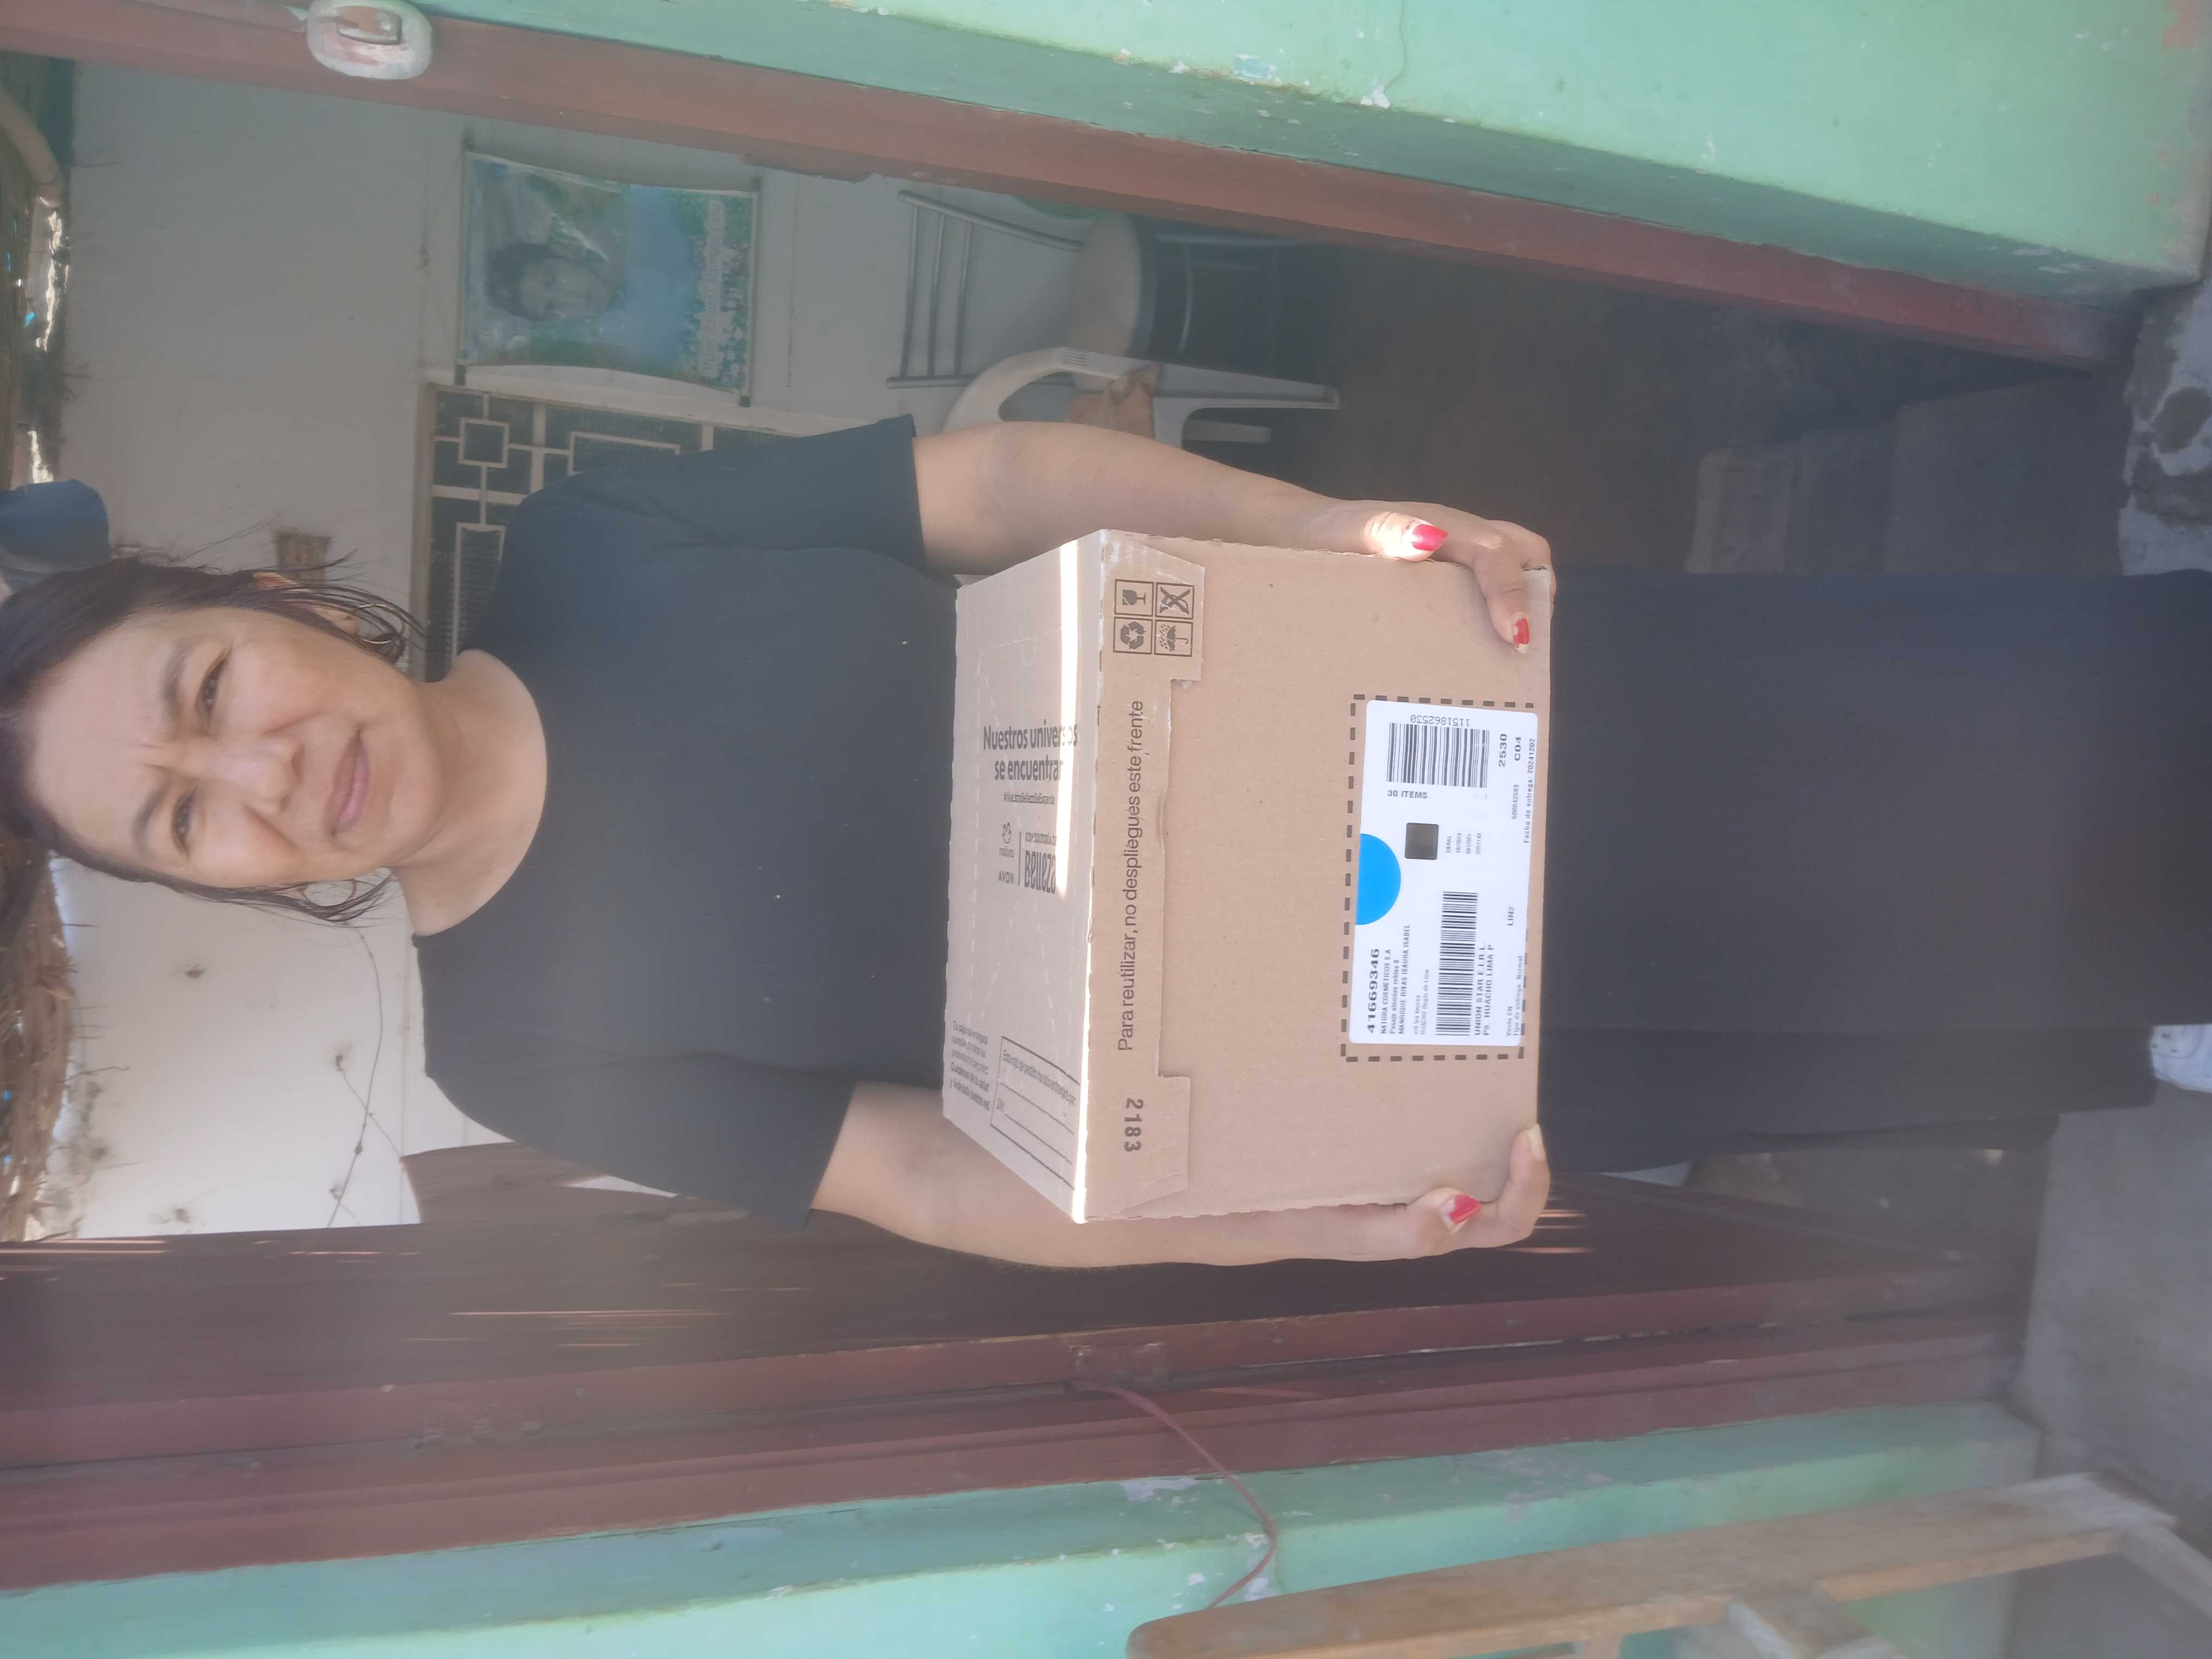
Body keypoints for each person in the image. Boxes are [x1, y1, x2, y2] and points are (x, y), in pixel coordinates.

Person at [2, 421, 2206, 1265]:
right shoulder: (512, 1043)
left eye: (207, 691)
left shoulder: (599, 538)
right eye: (184, 820)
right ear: (213, 885)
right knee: (1867, 983)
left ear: (273, 604)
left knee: (1916, 721)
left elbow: (999, 487)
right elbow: (938, 1174)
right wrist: (1311, 1232)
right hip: (1387, 1010)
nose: (260, 775)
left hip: (1433, 725)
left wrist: (1321, 529)